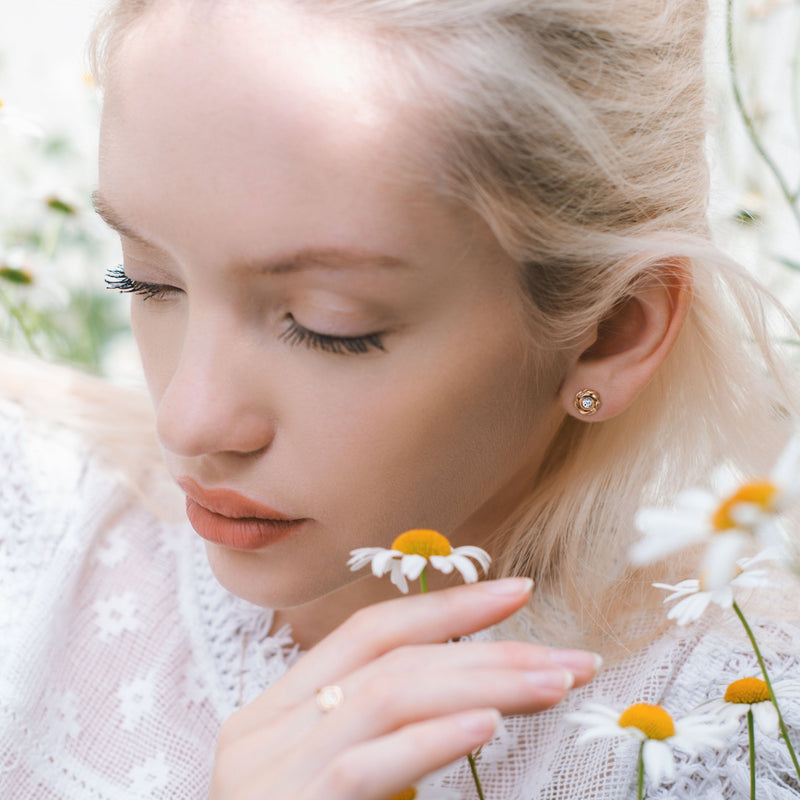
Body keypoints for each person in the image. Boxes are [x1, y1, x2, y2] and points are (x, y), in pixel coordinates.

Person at [1, 0, 799, 797]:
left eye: (327, 327)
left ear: (609, 333)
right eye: (145, 280)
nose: (187, 418)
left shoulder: (735, 737)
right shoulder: (29, 530)